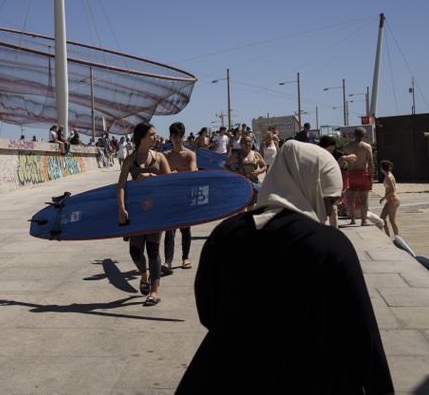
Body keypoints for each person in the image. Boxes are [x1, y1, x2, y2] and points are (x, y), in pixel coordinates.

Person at [177, 140, 393, 393]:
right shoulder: (332, 246)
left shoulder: (225, 234)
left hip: (229, 374)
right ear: (311, 187)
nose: (328, 208)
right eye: (329, 199)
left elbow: (208, 312)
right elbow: (362, 336)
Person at [117, 122, 171, 306]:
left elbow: (171, 183)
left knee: (153, 250)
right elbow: (121, 185)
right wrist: (121, 208)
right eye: (152, 134)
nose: (155, 137)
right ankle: (144, 273)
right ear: (142, 137)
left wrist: (151, 177)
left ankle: (155, 291)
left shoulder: (160, 157)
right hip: (137, 211)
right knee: (135, 252)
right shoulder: (130, 160)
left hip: (156, 211)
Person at [162, 122, 197, 274]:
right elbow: (160, 175)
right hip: (170, 197)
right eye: (174, 136)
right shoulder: (165, 156)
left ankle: (185, 257)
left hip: (185, 196)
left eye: (180, 136)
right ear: (170, 137)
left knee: (185, 228)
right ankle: (168, 261)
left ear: (183, 137)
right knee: (169, 230)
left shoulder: (189, 154)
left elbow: (193, 171)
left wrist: (176, 174)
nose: (177, 139)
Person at [319, 135, 357, 228]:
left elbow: (354, 157)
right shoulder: (318, 154)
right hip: (320, 185)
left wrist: (344, 158)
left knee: (333, 209)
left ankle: (334, 232)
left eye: (332, 150)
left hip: (332, 185)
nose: (331, 152)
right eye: (329, 150)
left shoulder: (337, 153)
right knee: (321, 211)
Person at [343, 128, 374, 226]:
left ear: (354, 135)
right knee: (364, 199)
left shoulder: (348, 146)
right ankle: (364, 221)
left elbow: (342, 151)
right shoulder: (367, 147)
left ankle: (352, 220)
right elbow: (370, 162)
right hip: (362, 173)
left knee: (351, 199)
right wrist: (371, 175)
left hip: (351, 173)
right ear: (364, 135)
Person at [225, 133, 267, 199]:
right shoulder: (236, 155)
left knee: (261, 196)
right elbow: (226, 166)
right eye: (245, 142)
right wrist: (236, 173)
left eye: (249, 142)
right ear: (241, 144)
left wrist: (258, 171)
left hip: (254, 182)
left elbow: (264, 166)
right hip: (240, 184)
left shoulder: (256, 154)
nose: (247, 144)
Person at [378, 160, 401, 237]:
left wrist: (383, 198)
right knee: (382, 219)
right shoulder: (388, 175)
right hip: (390, 200)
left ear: (382, 168)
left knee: (392, 220)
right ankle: (388, 236)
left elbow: (393, 190)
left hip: (393, 200)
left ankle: (397, 237)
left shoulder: (388, 177)